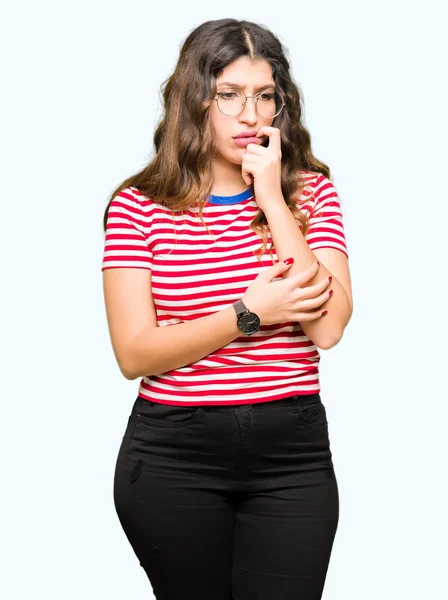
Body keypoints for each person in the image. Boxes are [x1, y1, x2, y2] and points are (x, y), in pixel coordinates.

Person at [101, 17, 353, 600]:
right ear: (196, 101)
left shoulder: (309, 193)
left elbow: (329, 325)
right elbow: (134, 352)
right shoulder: (140, 206)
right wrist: (247, 312)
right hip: (173, 457)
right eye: (229, 96)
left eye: (265, 96)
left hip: (291, 454)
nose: (251, 115)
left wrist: (270, 198)